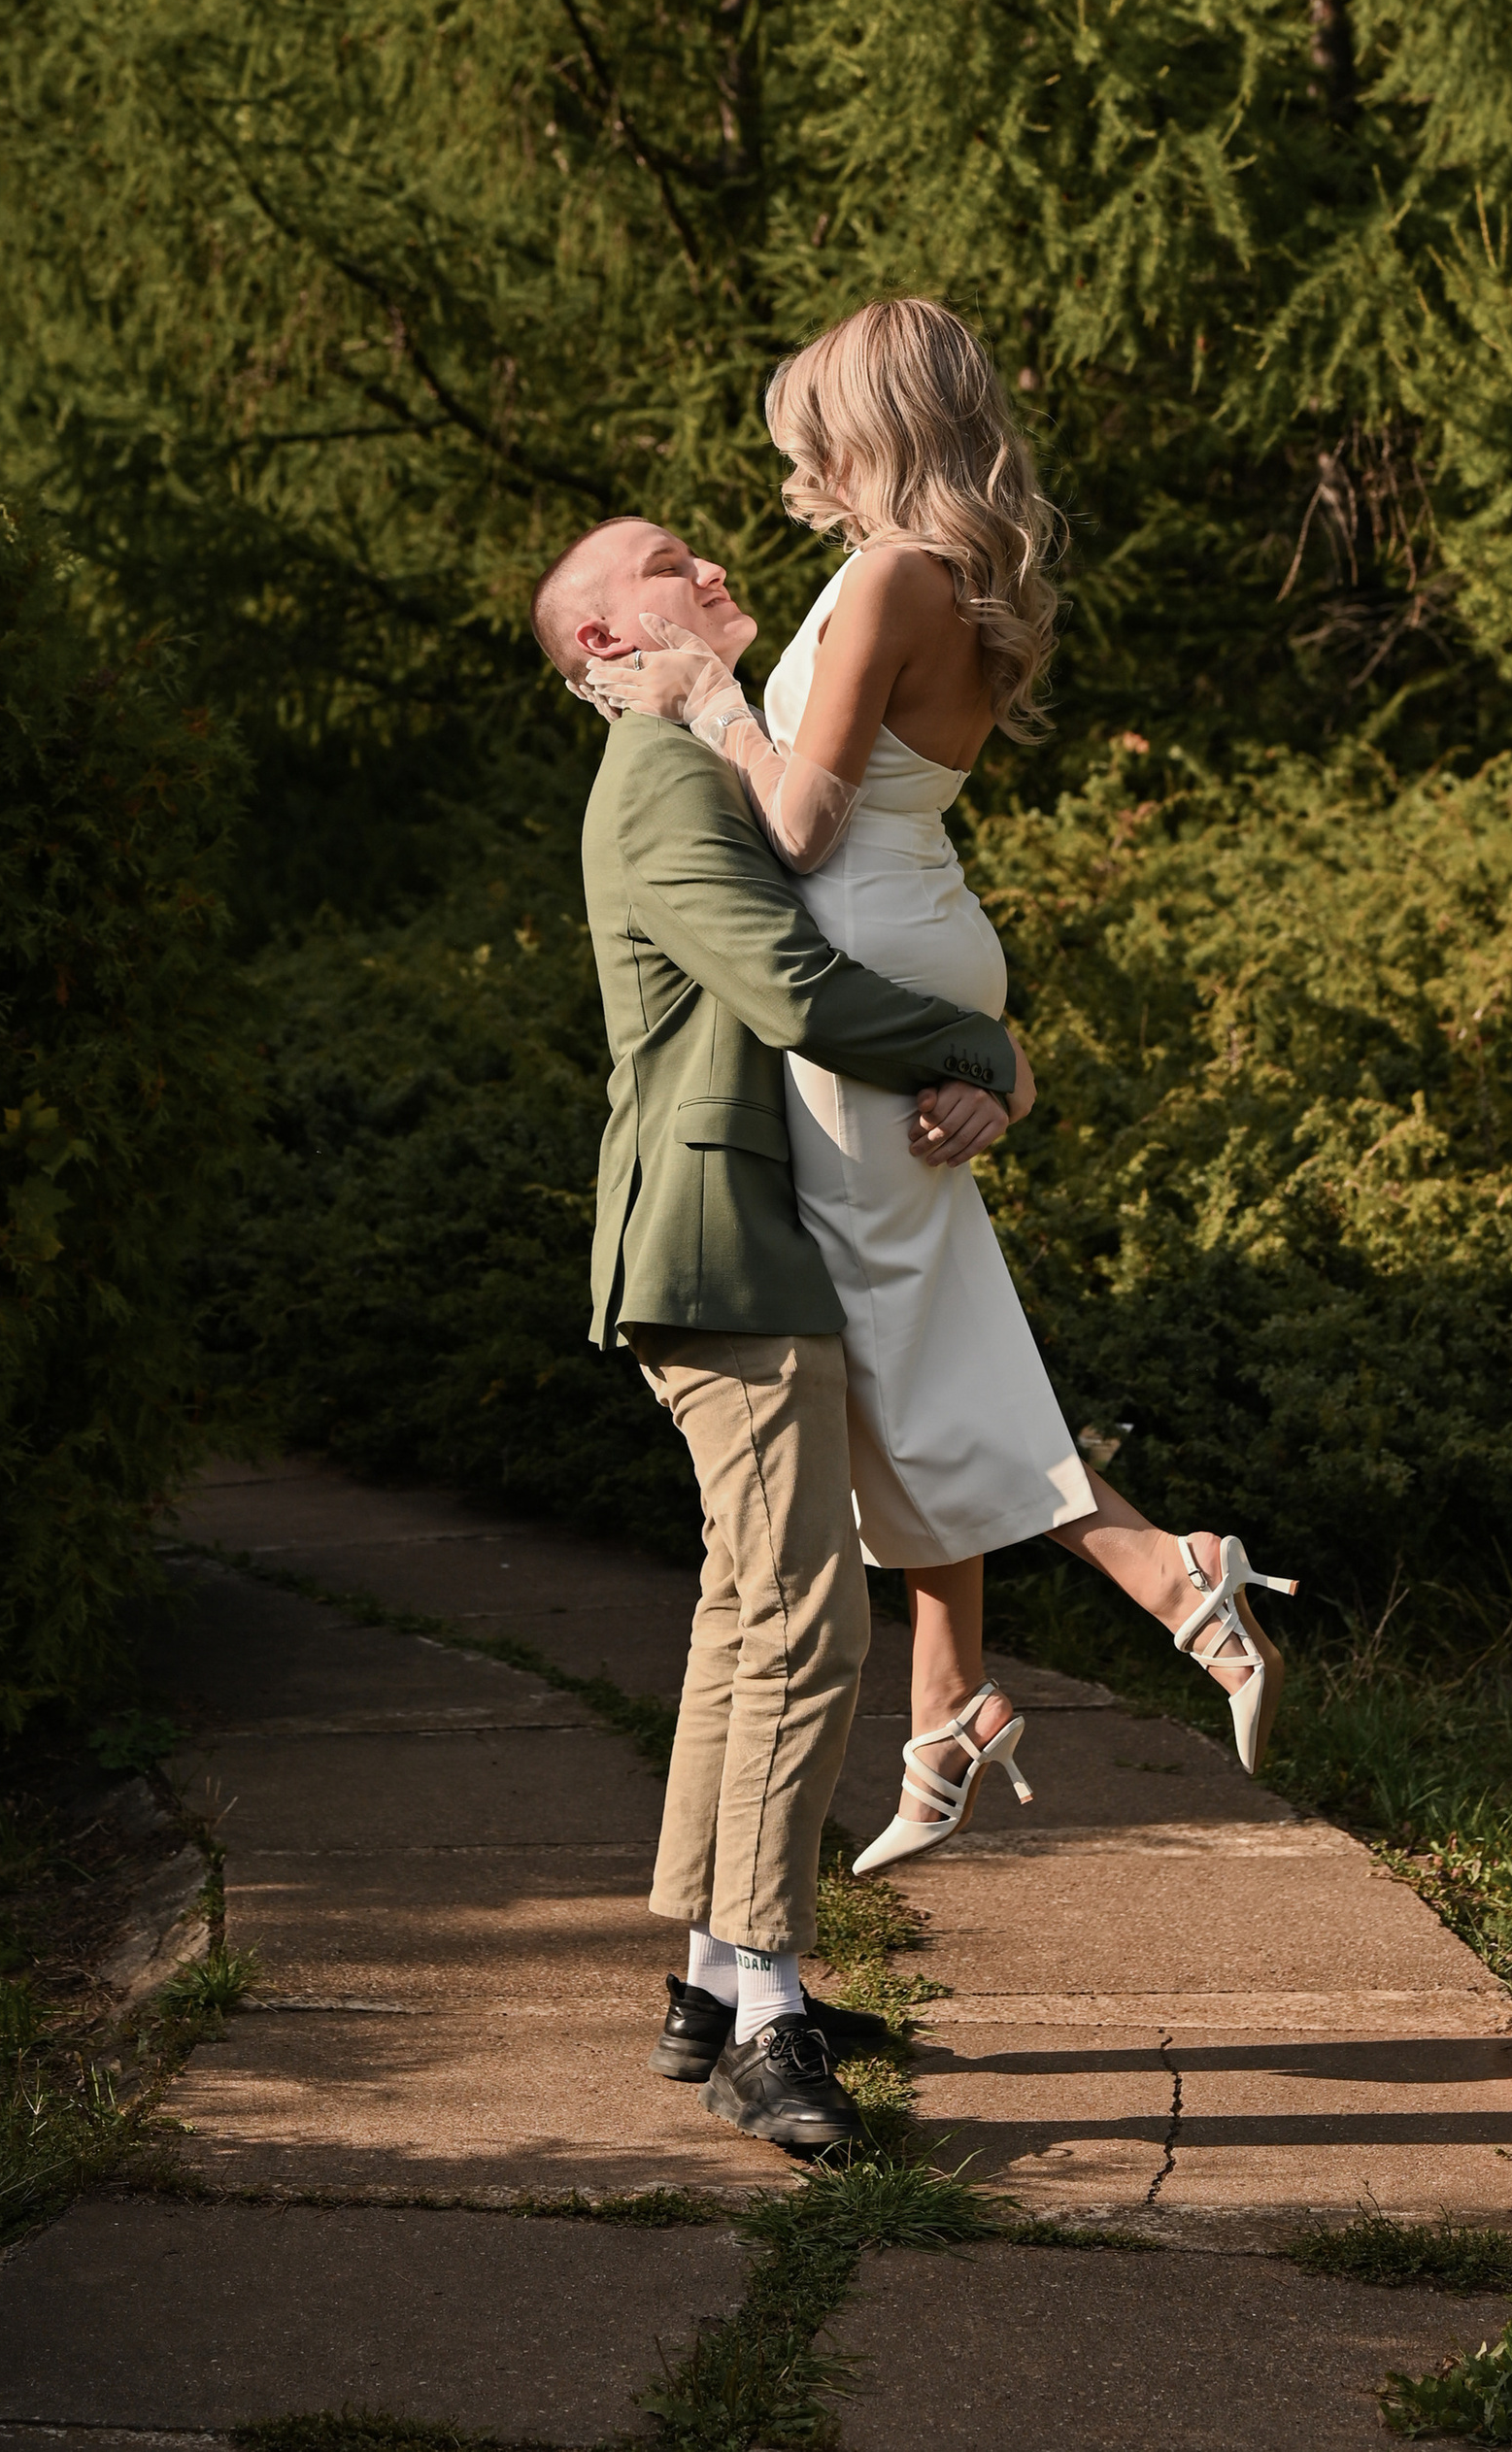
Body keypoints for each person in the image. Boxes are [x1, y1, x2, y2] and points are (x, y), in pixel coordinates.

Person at [587, 298, 1295, 1875]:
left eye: (808, 430)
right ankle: (953, 1696)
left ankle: (1167, 1576)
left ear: (872, 424)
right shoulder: (942, 576)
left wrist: (703, 702)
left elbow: (798, 833)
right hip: (924, 935)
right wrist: (997, 1056)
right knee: (909, 1327)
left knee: (893, 1351)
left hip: (862, 959)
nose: (791, 467)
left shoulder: (898, 574)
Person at [531, 508, 1034, 2157]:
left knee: (745, 1609)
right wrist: (991, 1047)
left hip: (747, 1240)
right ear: (608, 644)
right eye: (672, 564)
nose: (716, 571)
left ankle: (705, 1977)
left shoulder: (691, 770)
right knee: (807, 1624)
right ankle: (766, 2016)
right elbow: (797, 991)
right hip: (721, 1243)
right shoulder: (663, 779)